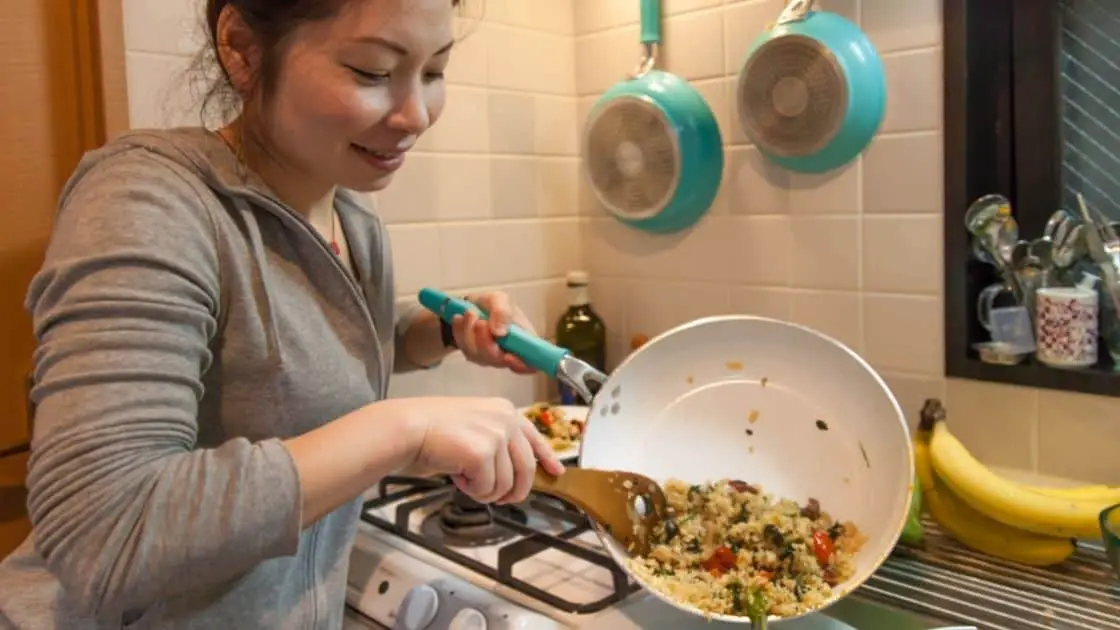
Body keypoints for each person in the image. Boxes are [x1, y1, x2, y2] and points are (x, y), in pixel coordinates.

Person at [0, 0, 565, 627]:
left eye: (434, 72)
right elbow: (104, 531)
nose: (415, 116)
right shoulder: (149, 199)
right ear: (242, 46)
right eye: (373, 71)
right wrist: (401, 431)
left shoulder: (349, 214)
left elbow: (297, 357)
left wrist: (441, 331)